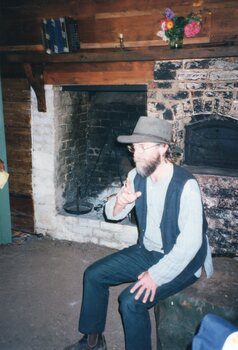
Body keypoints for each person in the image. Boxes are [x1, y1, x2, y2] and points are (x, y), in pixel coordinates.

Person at [64, 116, 213, 350]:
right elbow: (111, 214)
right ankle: (93, 340)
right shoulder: (136, 175)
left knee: (130, 302)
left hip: (183, 260)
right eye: (135, 148)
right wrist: (119, 203)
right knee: (93, 275)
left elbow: (190, 244)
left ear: (164, 147)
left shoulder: (185, 185)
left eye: (144, 147)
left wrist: (156, 275)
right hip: (148, 250)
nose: (137, 154)